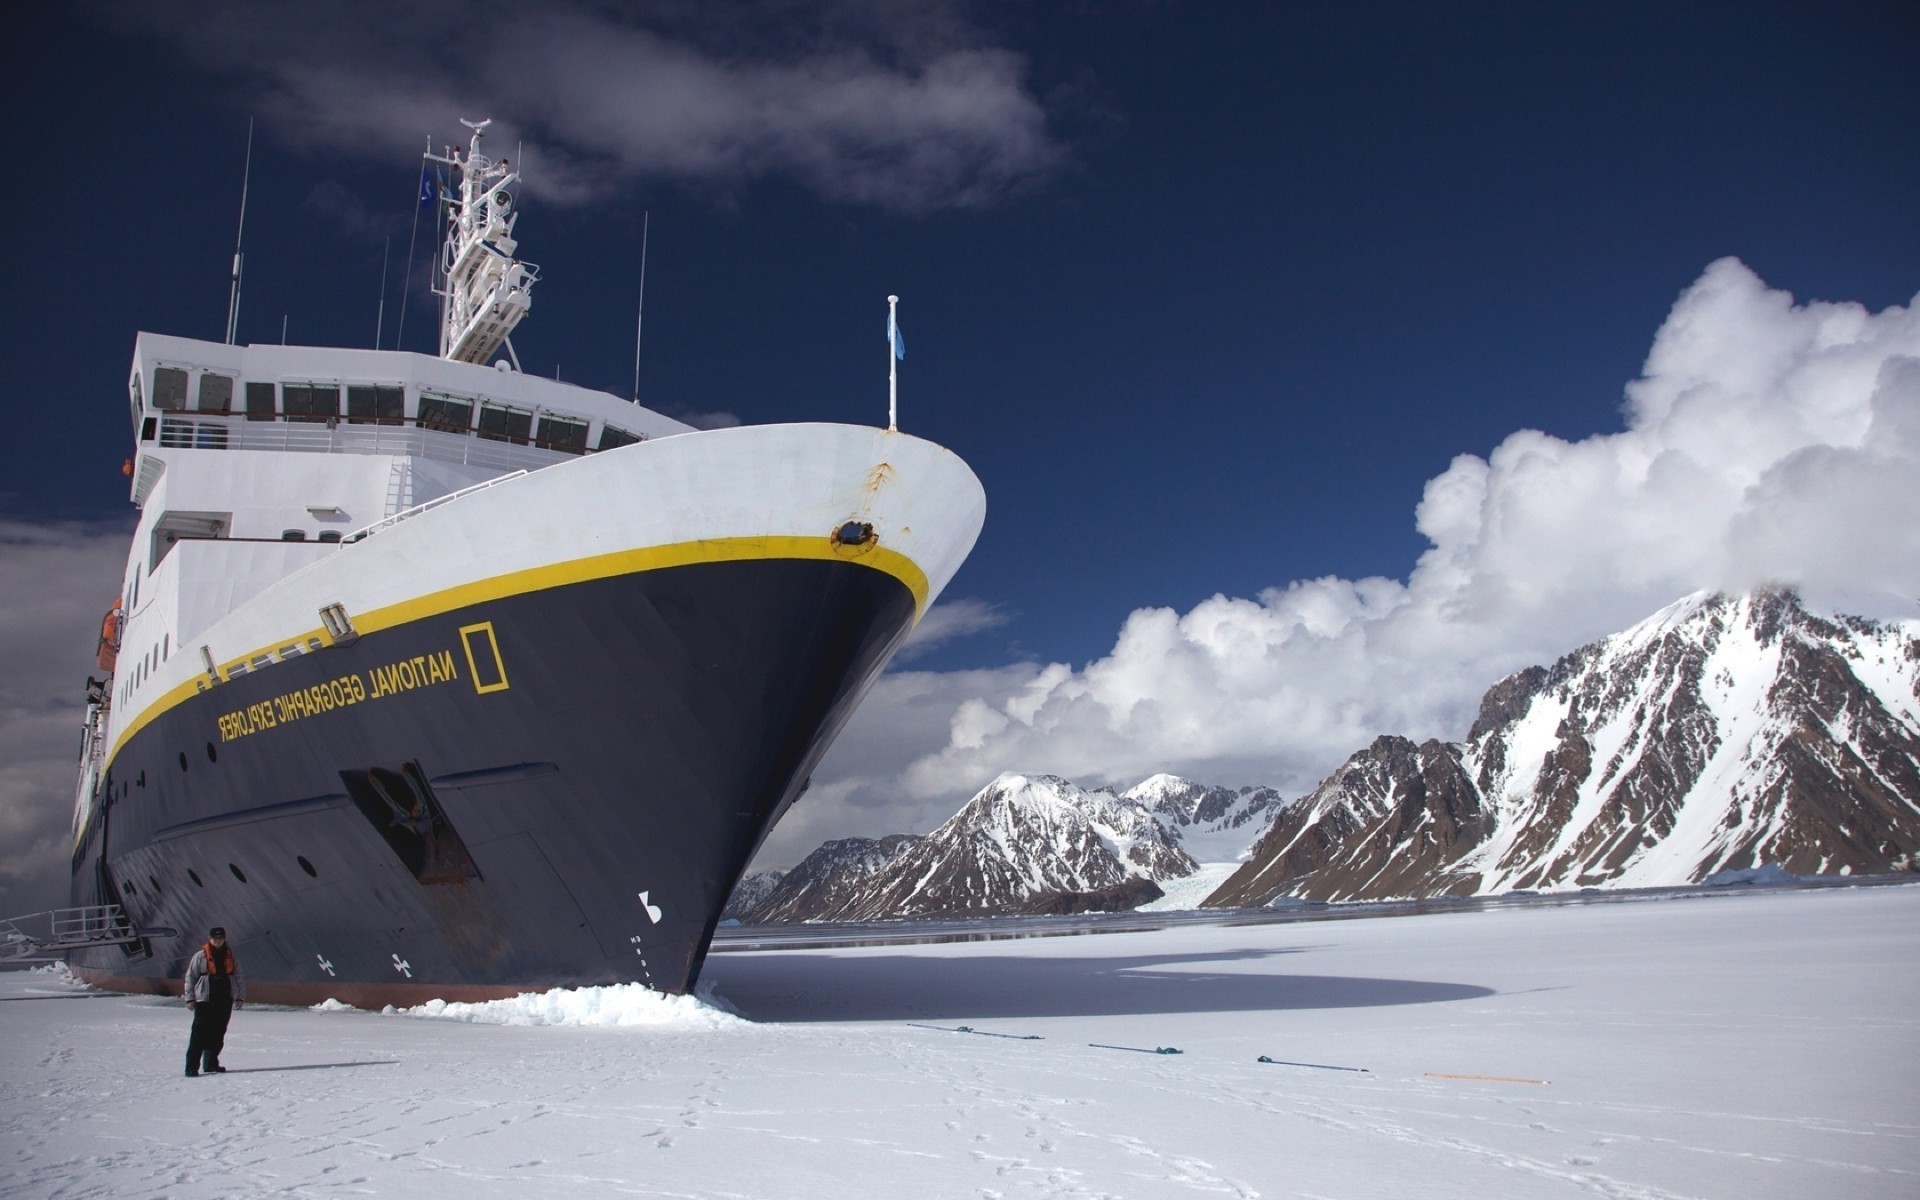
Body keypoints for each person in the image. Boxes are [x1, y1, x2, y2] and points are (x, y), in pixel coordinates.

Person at [183, 926, 244, 1077]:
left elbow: (239, 976)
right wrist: (189, 998)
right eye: (215, 938)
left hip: (224, 997)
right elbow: (190, 977)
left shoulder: (230, 955)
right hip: (205, 998)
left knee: (218, 1032)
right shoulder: (200, 955)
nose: (218, 941)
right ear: (210, 939)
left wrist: (240, 996)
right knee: (199, 1033)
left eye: (220, 938)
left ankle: (211, 1063)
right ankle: (191, 1067)